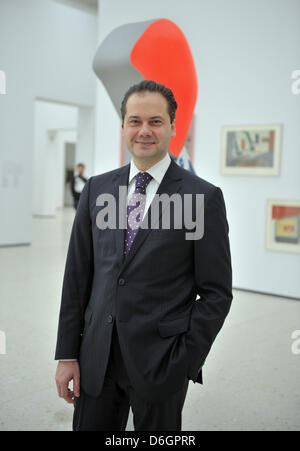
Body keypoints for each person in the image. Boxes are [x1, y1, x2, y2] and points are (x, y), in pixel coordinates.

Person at [55, 80, 232, 431]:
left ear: (172, 127)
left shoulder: (202, 198)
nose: (144, 130)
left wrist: (184, 360)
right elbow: (78, 276)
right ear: (123, 127)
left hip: (161, 362)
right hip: (96, 358)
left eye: (155, 121)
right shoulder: (96, 189)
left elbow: (216, 292)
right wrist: (67, 354)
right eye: (135, 121)